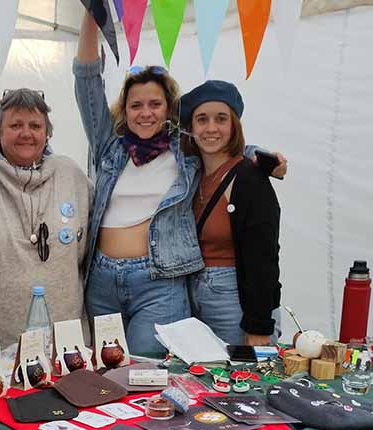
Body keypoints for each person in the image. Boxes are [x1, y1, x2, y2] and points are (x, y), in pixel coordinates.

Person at [74, 13, 286, 355]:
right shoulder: (108, 145)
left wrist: (260, 156)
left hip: (159, 279)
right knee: (106, 369)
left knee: (148, 366)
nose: (145, 112)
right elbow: (86, 82)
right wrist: (91, 14)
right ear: (124, 110)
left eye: (155, 104)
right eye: (136, 105)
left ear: (169, 108)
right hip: (101, 281)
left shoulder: (183, 148)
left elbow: (218, 142)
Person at [0, 89, 92, 349]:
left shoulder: (72, 175)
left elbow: (87, 248)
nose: (26, 133)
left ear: (47, 134)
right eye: (15, 125)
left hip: (69, 341)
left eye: (35, 125)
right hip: (1, 343)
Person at [180, 81, 281, 345]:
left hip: (234, 298)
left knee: (242, 379)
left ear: (234, 125)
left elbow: (264, 256)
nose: (211, 128)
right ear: (191, 128)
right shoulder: (191, 177)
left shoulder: (249, 176)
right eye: (202, 119)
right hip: (193, 294)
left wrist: (258, 325)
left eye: (221, 119)